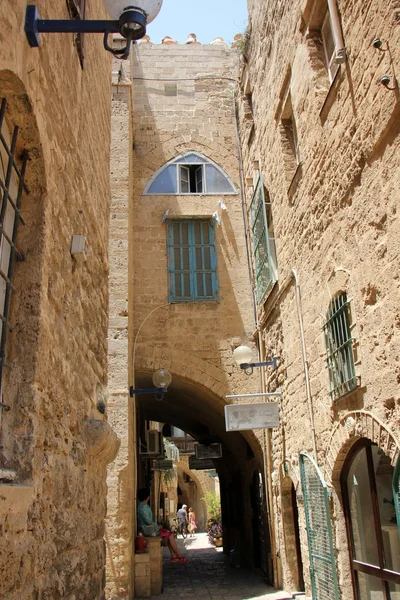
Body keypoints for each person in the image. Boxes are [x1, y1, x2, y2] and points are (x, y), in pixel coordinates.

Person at [137, 488, 189, 564]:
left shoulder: (141, 506)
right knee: (170, 534)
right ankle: (179, 555)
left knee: (168, 535)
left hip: (147, 528)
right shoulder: (144, 507)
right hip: (149, 530)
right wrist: (157, 526)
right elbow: (148, 521)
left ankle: (174, 556)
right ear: (147, 497)